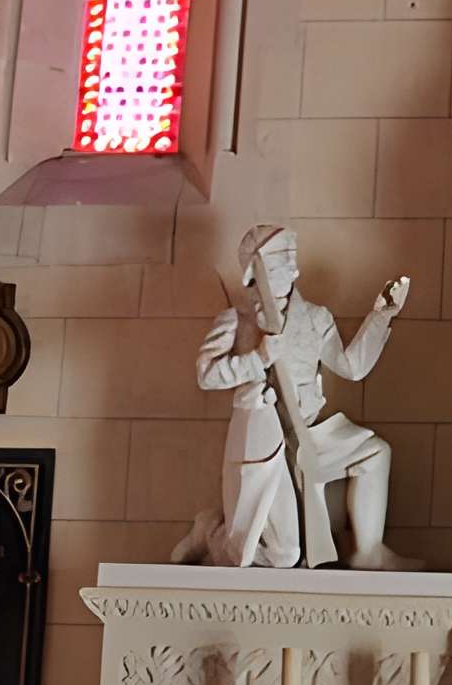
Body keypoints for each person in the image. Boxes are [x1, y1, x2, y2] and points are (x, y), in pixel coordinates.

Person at [175, 226, 411, 569]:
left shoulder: (315, 318)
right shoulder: (236, 321)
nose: (290, 272)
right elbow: (207, 375)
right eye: (278, 266)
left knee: (376, 454)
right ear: (255, 275)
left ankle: (368, 550)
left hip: (309, 433)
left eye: (289, 263)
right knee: (282, 555)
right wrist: (257, 358)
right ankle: (211, 533)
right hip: (265, 439)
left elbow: (352, 367)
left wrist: (381, 316)